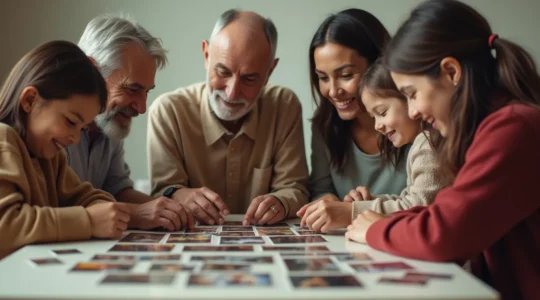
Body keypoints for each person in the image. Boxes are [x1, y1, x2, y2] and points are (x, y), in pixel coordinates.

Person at [346, 1, 540, 299]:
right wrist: (386, 221)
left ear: (451, 72)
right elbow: (447, 214)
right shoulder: (489, 129)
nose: (411, 112)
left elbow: (445, 234)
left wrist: (375, 230)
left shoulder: (514, 128)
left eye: (411, 94)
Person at [148, 9, 309, 226]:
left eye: (249, 79)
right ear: (206, 55)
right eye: (223, 72)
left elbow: (295, 188)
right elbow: (163, 192)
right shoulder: (169, 112)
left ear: (270, 71)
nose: (232, 93)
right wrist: (179, 194)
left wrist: (280, 201)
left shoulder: (284, 105)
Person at [0, 41, 129, 258]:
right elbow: (6, 226)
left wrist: (105, 211)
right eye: (71, 122)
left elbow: (84, 196)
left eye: (83, 128)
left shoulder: (50, 157)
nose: (76, 138)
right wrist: (88, 221)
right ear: (30, 101)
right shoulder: (3, 139)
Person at [66, 14, 193, 231]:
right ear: (92, 71)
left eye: (146, 92)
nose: (142, 108)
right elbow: (53, 206)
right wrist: (136, 214)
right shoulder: (55, 123)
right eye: (132, 89)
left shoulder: (109, 121)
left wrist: (173, 209)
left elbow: (117, 189)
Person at [297, 9, 408, 231]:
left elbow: (426, 203)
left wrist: (360, 208)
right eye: (322, 78)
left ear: (379, 65)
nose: (333, 91)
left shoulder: (414, 123)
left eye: (346, 75)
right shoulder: (325, 126)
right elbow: (321, 188)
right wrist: (331, 202)